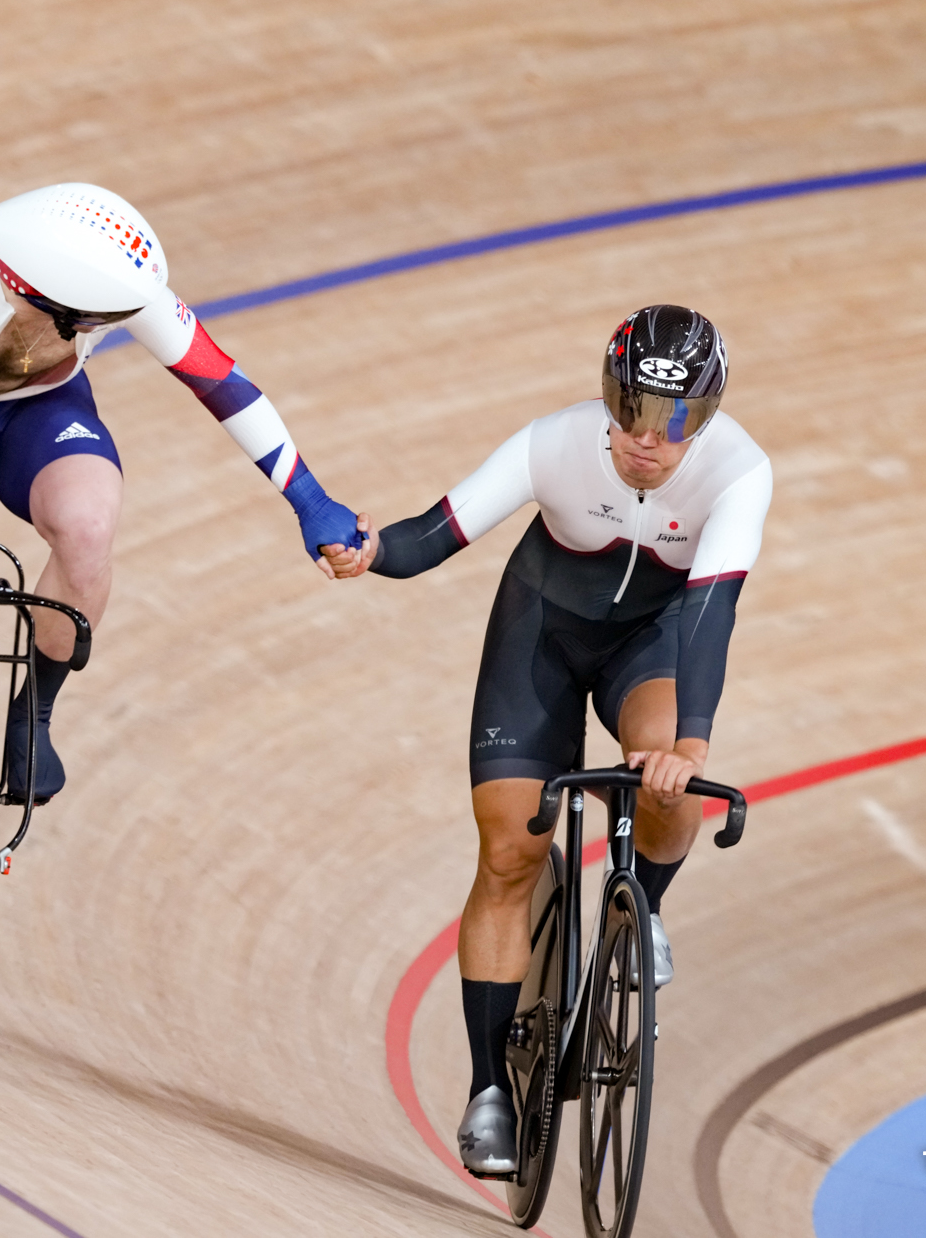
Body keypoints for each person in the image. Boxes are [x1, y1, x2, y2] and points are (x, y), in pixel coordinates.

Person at [0, 182, 361, 945]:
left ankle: (33, 714)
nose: (109, 330)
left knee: (89, 529)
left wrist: (309, 498)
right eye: (95, 324)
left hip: (38, 416)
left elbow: (222, 381)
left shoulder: (98, 280)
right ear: (37, 292)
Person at [321, 305, 771, 1176]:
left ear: (707, 414)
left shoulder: (741, 471)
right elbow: (432, 536)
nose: (647, 438)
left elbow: (711, 614)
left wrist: (693, 746)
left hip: (653, 645)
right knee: (508, 855)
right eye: (631, 408)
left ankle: (646, 905)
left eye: (673, 420)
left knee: (670, 795)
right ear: (608, 395)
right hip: (541, 638)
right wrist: (370, 548)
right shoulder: (553, 443)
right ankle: (490, 1089)